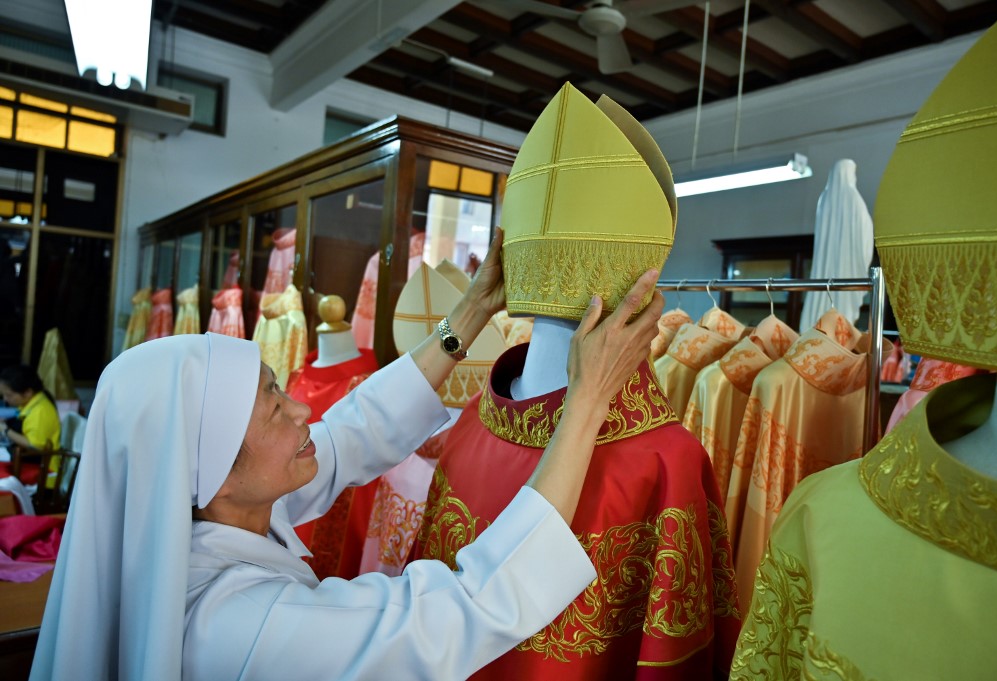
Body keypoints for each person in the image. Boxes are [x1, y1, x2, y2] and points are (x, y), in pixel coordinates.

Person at [30, 229, 667, 681]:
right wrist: (587, 401)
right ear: (211, 468)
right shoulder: (231, 623)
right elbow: (457, 613)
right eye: (273, 405)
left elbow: (349, 437)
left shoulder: (218, 515)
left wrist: (470, 311)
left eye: (279, 389)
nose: (303, 409)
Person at [0, 364, 62, 488]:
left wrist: (5, 430)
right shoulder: (33, 403)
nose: (6, 400)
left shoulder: (40, 411)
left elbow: (34, 445)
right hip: (27, 462)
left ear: (28, 392)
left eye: (9, 395)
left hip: (43, 473)